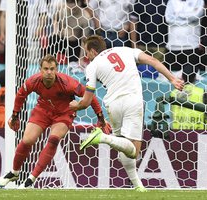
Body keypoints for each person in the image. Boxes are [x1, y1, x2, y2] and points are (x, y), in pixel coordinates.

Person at [69, 35, 184, 192]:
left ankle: (138, 186)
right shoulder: (125, 50)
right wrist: (172, 79)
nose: (86, 56)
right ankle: (103, 138)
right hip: (132, 101)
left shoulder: (92, 66)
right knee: (133, 151)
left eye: (86, 52)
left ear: (93, 51)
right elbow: (154, 61)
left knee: (123, 147)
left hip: (112, 104)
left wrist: (76, 106)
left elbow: (86, 101)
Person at [0, 54, 110, 189]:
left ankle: (31, 179)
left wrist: (101, 118)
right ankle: (14, 172)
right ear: (40, 70)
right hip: (43, 110)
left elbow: (91, 97)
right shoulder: (33, 81)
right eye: (46, 69)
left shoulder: (67, 83)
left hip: (64, 113)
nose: (49, 72)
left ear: (56, 69)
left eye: (52, 69)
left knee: (53, 139)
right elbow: (21, 95)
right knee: (27, 140)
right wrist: (15, 115)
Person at [164, 0, 205, 72]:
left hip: (191, 46)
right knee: (173, 77)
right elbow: (168, 18)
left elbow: (196, 16)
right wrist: (188, 17)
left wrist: (177, 14)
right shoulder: (171, 1)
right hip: (172, 46)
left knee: (192, 77)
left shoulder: (198, 1)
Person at [170, 64, 207, 130]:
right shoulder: (202, 92)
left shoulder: (173, 93)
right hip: (198, 131)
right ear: (195, 77)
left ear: (182, 76)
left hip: (177, 131)